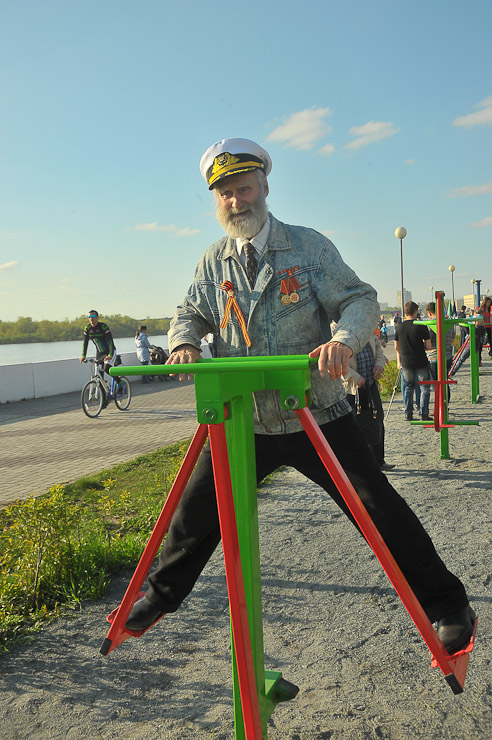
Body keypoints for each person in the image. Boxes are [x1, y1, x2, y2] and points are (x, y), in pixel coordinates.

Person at [125, 137, 474, 654]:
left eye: (244, 189)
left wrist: (343, 340)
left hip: (314, 412)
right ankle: (159, 596)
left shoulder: (308, 248)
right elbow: (190, 312)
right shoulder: (213, 261)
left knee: (377, 506)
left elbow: (359, 299)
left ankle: (448, 604)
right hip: (243, 417)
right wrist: (184, 343)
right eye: (225, 193)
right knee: (196, 512)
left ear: (264, 186)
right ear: (215, 199)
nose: (236, 201)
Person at [342, 334, 394, 471]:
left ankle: (379, 461)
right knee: (355, 425)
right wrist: (355, 377)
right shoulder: (337, 330)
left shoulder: (365, 328)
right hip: (352, 389)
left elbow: (378, 349)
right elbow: (338, 362)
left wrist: (379, 366)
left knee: (377, 420)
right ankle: (360, 464)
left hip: (370, 384)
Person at [394, 302, 432, 421]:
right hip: (421, 361)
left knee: (408, 388)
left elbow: (396, 347)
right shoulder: (421, 326)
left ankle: (408, 413)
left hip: (406, 362)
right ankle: (423, 413)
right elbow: (429, 346)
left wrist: (404, 353)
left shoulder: (399, 327)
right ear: (415, 311)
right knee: (424, 388)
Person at [79, 310, 120, 388]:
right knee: (99, 376)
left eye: (93, 316)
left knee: (107, 368)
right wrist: (83, 356)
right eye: (89, 317)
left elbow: (110, 341)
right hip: (99, 353)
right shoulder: (87, 328)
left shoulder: (103, 327)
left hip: (109, 351)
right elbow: (85, 343)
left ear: (97, 317)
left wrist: (110, 354)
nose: (91, 318)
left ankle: (119, 381)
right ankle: (103, 395)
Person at [425, 302, 455, 403]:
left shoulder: (431, 324)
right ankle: (445, 404)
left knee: (436, 384)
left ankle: (439, 405)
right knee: (445, 381)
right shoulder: (449, 322)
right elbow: (452, 339)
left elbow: (428, 341)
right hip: (447, 355)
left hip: (434, 356)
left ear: (429, 313)